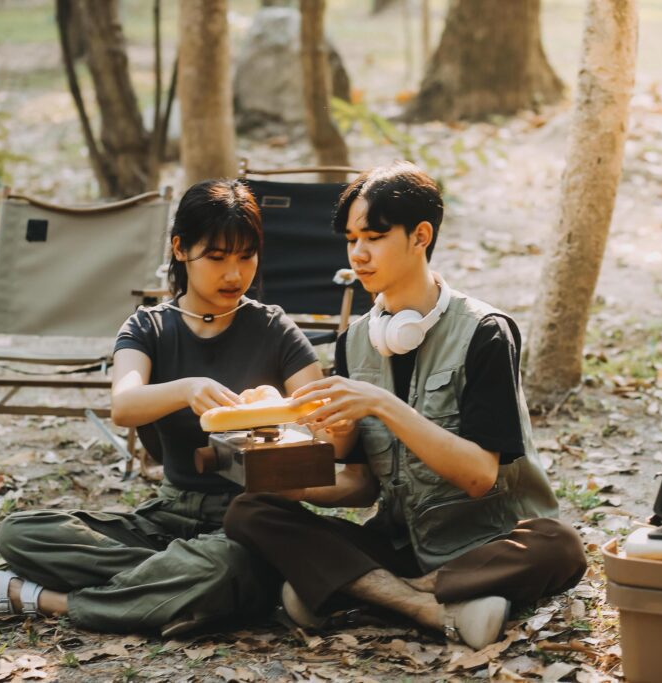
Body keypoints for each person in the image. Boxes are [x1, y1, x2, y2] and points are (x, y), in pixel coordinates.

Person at [224, 162, 586, 650]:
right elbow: (360, 484)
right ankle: (421, 604)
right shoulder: (354, 343)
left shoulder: (484, 332)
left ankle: (359, 588)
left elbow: (480, 475)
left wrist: (383, 404)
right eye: (351, 240)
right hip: (403, 544)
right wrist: (290, 485)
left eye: (373, 237)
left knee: (560, 546)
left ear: (421, 235)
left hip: (489, 540)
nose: (359, 254)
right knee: (251, 510)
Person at [0, 179, 323, 636]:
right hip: (168, 516)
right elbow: (126, 405)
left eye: (246, 256)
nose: (235, 274)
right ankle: (181, 585)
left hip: (249, 521)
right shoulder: (149, 327)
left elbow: (317, 414)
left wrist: (279, 408)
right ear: (180, 248)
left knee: (226, 562)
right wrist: (185, 388)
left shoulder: (273, 327)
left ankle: (53, 601)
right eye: (216, 257)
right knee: (20, 534)